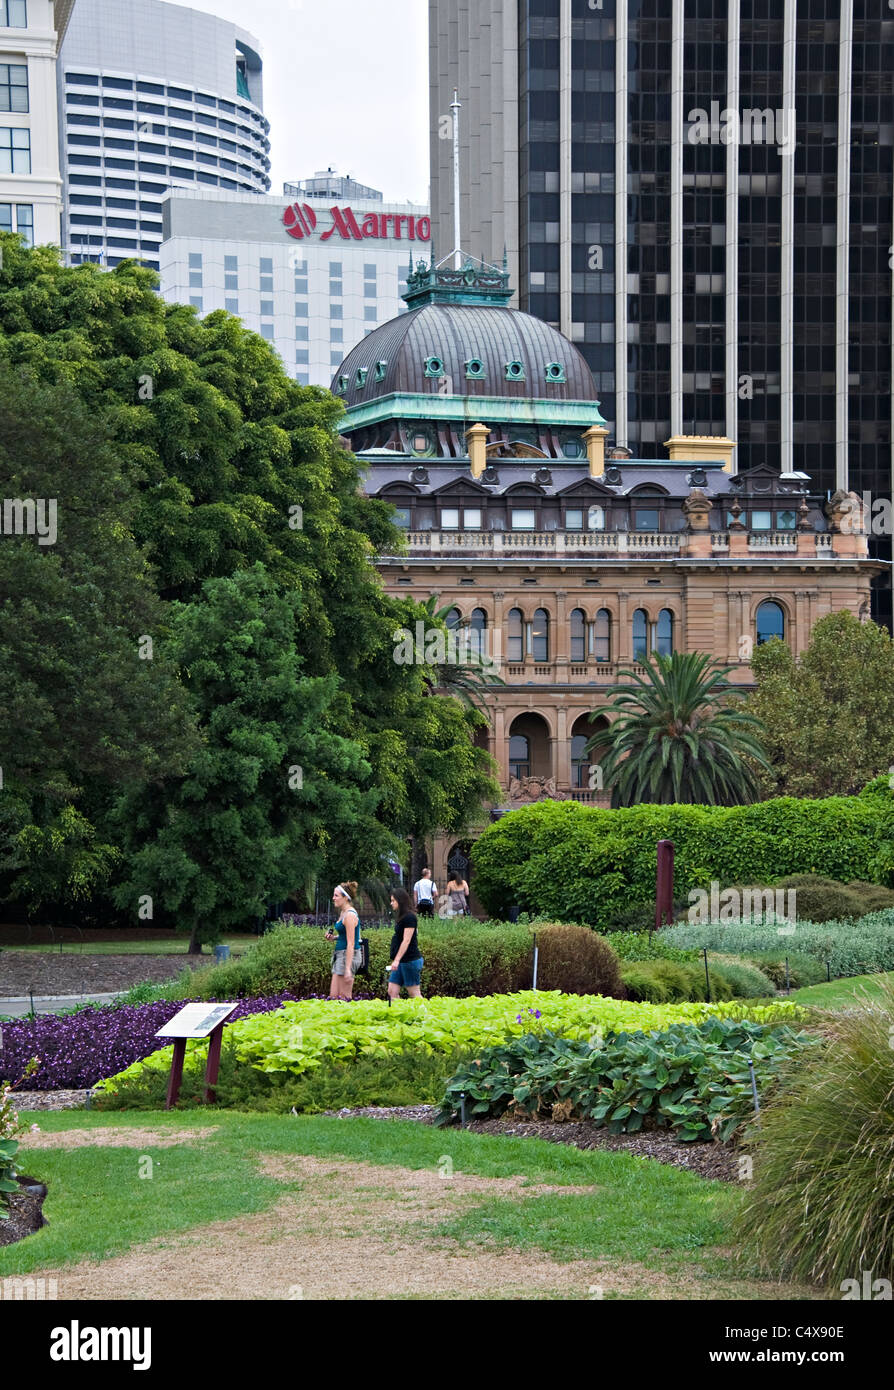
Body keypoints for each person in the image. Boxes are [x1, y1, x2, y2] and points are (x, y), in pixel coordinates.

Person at [325, 881, 362, 1000]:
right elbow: (345, 936)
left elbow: (351, 943)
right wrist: (334, 938)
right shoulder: (343, 912)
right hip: (340, 955)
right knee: (334, 997)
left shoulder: (350, 915)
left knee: (344, 998)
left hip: (348, 956)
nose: (333, 898)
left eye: (336, 895)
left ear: (345, 898)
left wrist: (347, 969)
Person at [387, 887, 423, 999]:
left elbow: (406, 940)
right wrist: (397, 959)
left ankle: (426, 1015)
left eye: (393, 900)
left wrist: (397, 960)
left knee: (414, 993)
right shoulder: (402, 917)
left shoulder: (410, 917)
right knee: (392, 991)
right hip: (401, 960)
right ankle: (400, 1014)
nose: (391, 903)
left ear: (400, 900)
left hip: (410, 960)